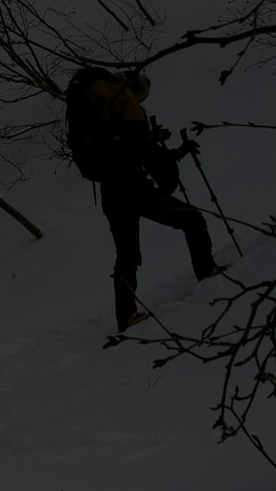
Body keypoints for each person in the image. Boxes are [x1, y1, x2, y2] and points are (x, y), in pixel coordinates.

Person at [64, 63, 218, 332]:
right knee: (192, 219)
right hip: (135, 189)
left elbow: (134, 154)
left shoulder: (101, 126)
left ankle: (126, 316)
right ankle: (208, 274)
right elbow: (148, 157)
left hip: (112, 195)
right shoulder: (127, 120)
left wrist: (173, 152)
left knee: (126, 255)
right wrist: (169, 172)